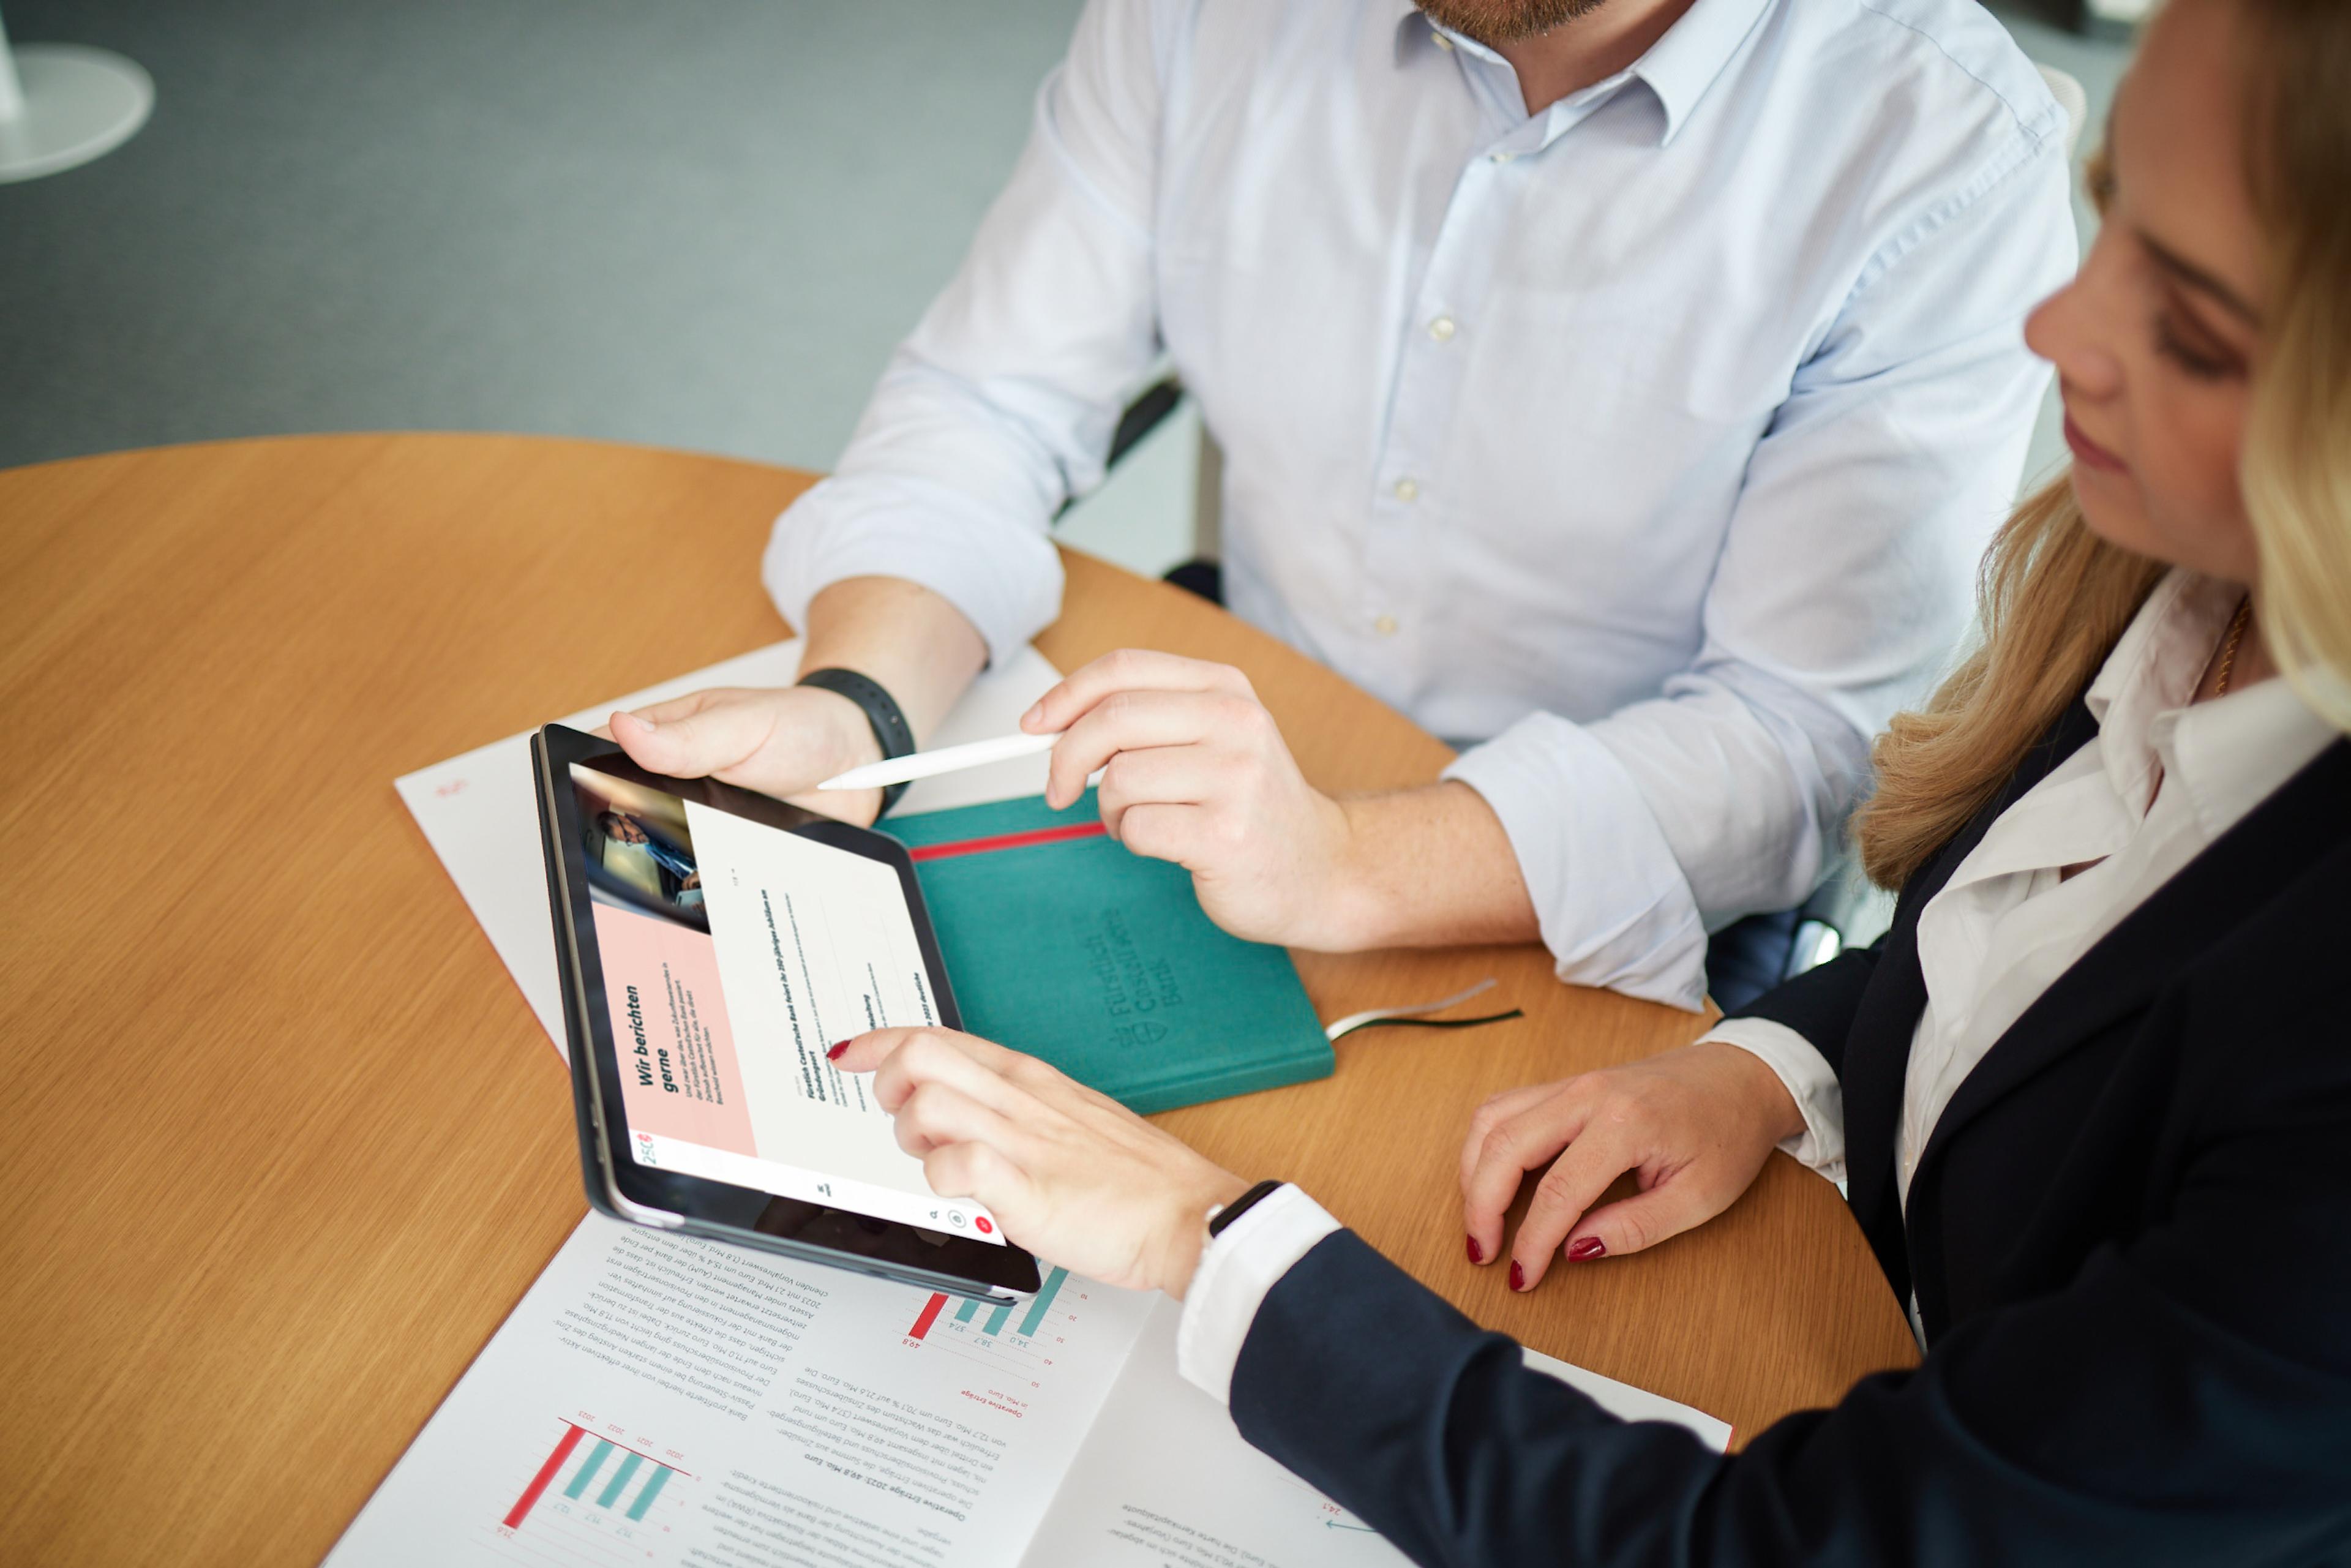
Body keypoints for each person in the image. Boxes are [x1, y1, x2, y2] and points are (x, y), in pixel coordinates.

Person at [823, 0, 2351, 1555]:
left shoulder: (1928, 130)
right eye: (2113, 220)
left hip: (1632, 910)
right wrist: (1774, 1069)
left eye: (2198, 325)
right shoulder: (2185, 603)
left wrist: (1204, 1235)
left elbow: (1786, 1538)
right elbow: (2011, 964)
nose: (2058, 332)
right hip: (1525, 954)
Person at [610, 0, 2078, 1012]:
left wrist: (1342, 861)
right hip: (1246, 733)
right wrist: (859, 704)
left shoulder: (1939, 146)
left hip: (1626, 888)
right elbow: (991, 400)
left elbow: (1797, 734)